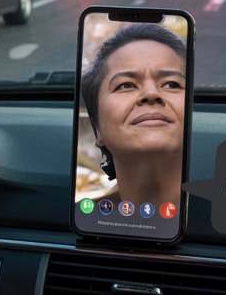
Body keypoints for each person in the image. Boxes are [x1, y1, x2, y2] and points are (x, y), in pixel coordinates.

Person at [80, 24, 187, 210]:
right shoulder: (85, 216)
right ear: (98, 129)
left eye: (171, 84)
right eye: (125, 85)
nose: (151, 93)